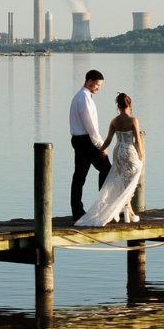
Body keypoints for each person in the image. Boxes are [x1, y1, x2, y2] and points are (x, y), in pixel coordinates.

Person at [77, 93, 145, 226]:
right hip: (129, 150)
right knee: (132, 178)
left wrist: (101, 149)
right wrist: (140, 155)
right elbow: (137, 140)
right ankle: (128, 209)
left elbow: (108, 139)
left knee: (120, 179)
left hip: (117, 151)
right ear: (129, 105)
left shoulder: (114, 121)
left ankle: (128, 208)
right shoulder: (133, 120)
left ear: (118, 106)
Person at [68, 70, 110, 221]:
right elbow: (90, 126)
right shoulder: (84, 98)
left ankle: (77, 210)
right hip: (87, 141)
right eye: (98, 85)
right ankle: (102, 207)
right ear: (90, 81)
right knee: (107, 170)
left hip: (78, 140)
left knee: (79, 176)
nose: (99, 88)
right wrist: (101, 146)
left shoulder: (80, 97)